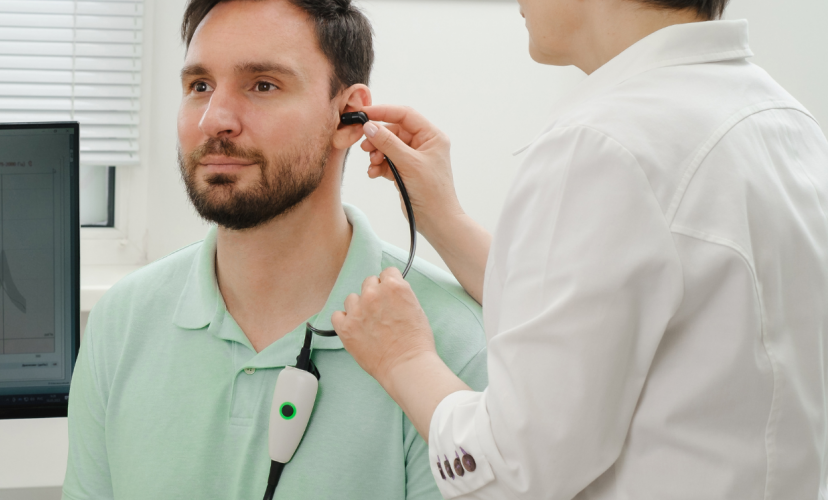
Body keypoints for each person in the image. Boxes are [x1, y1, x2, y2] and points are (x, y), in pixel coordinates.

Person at [328, 0, 828, 497]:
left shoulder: (605, 142)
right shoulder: (780, 117)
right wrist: (442, 216)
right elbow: (602, 314)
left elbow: (516, 472)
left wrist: (403, 358)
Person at [62, 0, 488, 498]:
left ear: (348, 117)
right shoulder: (123, 321)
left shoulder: (448, 342)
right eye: (199, 86)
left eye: (263, 85)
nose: (215, 120)